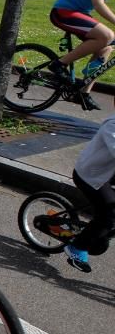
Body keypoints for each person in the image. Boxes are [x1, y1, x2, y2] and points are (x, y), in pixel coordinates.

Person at [47, 0, 115, 111]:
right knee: (107, 35)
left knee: (106, 47)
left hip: (80, 14)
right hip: (63, 12)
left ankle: (83, 93)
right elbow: (98, 3)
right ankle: (59, 65)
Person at [63, 110, 115, 273]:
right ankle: (77, 247)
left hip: (109, 175)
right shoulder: (112, 125)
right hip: (91, 176)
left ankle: (98, 233)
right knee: (108, 214)